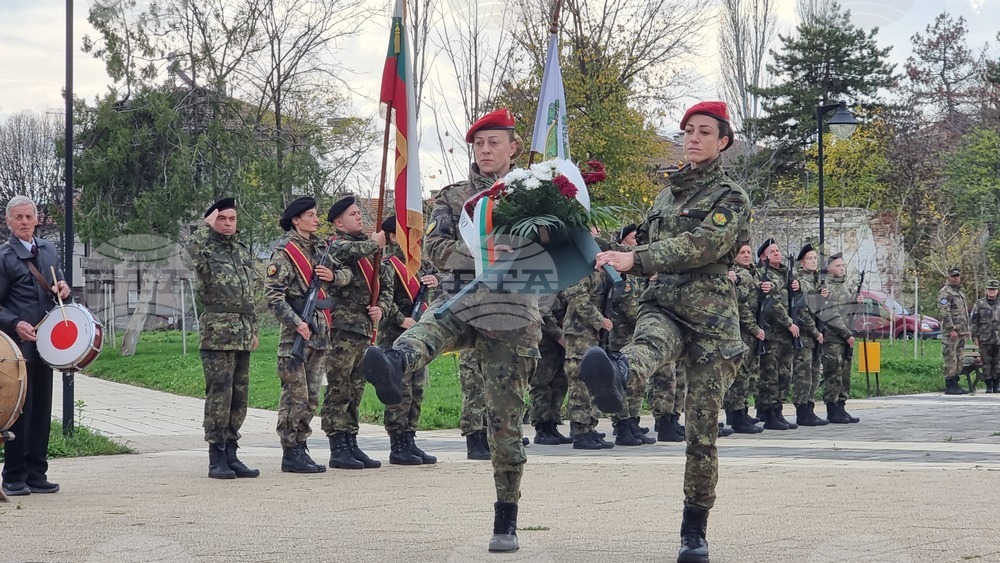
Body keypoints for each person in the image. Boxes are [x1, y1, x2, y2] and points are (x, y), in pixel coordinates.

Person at [361, 108, 540, 553]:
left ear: (513, 147)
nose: (485, 150)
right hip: (462, 296)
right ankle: (393, 364)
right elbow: (436, 248)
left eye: (494, 142)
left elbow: (553, 250)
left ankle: (506, 519)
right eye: (478, 143)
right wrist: (482, 250)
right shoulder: (455, 196)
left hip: (512, 314)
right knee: (432, 325)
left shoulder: (536, 193)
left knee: (505, 423)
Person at [580, 101, 751, 563]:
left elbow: (703, 244)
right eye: (687, 132)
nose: (692, 139)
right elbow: (649, 248)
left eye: (703, 132)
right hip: (665, 302)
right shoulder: (664, 196)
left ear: (723, 142)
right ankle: (617, 379)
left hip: (712, 317)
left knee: (701, 433)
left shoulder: (730, 195)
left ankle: (694, 530)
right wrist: (603, 249)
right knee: (647, 343)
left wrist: (637, 259)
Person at [264, 196, 348, 474]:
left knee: (312, 395)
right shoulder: (285, 252)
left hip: (320, 332)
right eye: (310, 215)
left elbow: (347, 271)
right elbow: (273, 296)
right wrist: (295, 321)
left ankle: (302, 445)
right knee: (295, 394)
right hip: (296, 335)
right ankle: (291, 450)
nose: (316, 219)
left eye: (316, 214)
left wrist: (333, 277)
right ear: (296, 220)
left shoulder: (322, 249)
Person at [0, 195, 72, 497]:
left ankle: (36, 473)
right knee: (20, 411)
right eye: (18, 217)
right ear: (8, 222)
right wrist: (15, 322)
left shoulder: (49, 250)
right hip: (16, 348)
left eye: (29, 217)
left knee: (42, 407)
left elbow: (60, 289)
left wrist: (65, 291)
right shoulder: (3, 256)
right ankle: (13, 476)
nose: (24, 222)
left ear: (37, 218)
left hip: (47, 343)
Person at [185, 197, 261, 479]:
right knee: (220, 394)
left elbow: (251, 294)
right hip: (218, 332)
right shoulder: (203, 248)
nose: (228, 224)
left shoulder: (241, 251)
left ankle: (232, 453)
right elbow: (186, 258)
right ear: (212, 221)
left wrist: (254, 329)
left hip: (242, 332)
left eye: (232, 219)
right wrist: (203, 228)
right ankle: (216, 456)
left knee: (239, 396)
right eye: (222, 219)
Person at [322, 196, 392, 470]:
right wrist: (375, 243)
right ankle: (337, 444)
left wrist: (382, 309)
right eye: (353, 214)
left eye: (359, 213)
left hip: (364, 328)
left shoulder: (371, 249)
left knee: (356, 388)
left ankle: (351, 440)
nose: (359, 217)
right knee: (339, 388)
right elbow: (345, 255)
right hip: (341, 329)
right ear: (339, 222)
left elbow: (385, 285)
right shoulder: (337, 247)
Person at [378, 214, 441, 464]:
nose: (417, 238)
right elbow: (382, 298)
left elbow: (441, 279)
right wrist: (399, 319)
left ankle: (410, 438)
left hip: (417, 336)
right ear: (394, 236)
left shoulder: (421, 263)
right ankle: (397, 444)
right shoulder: (388, 263)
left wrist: (436, 281)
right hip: (395, 335)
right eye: (409, 233)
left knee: (417, 390)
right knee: (400, 390)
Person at [755, 239, 799, 431]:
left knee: (784, 375)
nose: (776, 253)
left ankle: (778, 410)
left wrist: (797, 285)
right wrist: (789, 323)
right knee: (770, 376)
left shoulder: (787, 274)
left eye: (777, 250)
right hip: (772, 332)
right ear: (763, 257)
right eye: (771, 251)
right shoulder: (764, 275)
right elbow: (773, 303)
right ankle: (768, 411)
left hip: (786, 335)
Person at [724, 243, 765, 434]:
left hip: (750, 332)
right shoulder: (733, 273)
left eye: (749, 252)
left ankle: (742, 412)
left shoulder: (754, 272)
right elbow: (741, 305)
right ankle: (736, 414)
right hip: (739, 331)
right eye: (742, 253)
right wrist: (754, 328)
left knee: (748, 374)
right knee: (739, 375)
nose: (747, 255)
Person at [818, 253, 860, 423]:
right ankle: (832, 409)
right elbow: (830, 313)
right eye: (838, 266)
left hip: (846, 336)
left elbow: (849, 312)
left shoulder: (844, 286)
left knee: (845, 374)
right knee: (833, 373)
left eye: (843, 265)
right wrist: (846, 334)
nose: (841, 268)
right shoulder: (827, 286)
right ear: (829, 268)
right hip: (834, 337)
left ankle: (841, 406)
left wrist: (856, 303)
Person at [791, 244, 827, 426]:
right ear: (802, 261)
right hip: (806, 334)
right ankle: (802, 410)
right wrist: (815, 331)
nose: (814, 261)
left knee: (813, 373)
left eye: (815, 258)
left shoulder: (817, 281)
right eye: (810, 258)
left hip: (817, 333)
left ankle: (810, 407)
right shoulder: (800, 281)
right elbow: (802, 310)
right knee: (803, 374)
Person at [938, 267, 971, 395]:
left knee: (959, 357)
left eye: (957, 276)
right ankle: (950, 384)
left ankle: (956, 382)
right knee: (950, 357)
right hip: (951, 332)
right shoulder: (945, 293)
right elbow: (944, 312)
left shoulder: (960, 293)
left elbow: (964, 313)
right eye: (953, 276)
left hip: (961, 331)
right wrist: (951, 329)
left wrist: (967, 330)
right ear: (948, 277)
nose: (956, 278)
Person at [969, 279, 1000, 394]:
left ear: (997, 291)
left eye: (994, 289)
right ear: (986, 290)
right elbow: (974, 322)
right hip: (984, 338)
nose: (992, 292)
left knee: (998, 363)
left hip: (998, 339)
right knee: (986, 363)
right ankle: (989, 385)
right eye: (990, 289)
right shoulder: (980, 304)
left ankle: (997, 384)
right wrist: (975, 337)